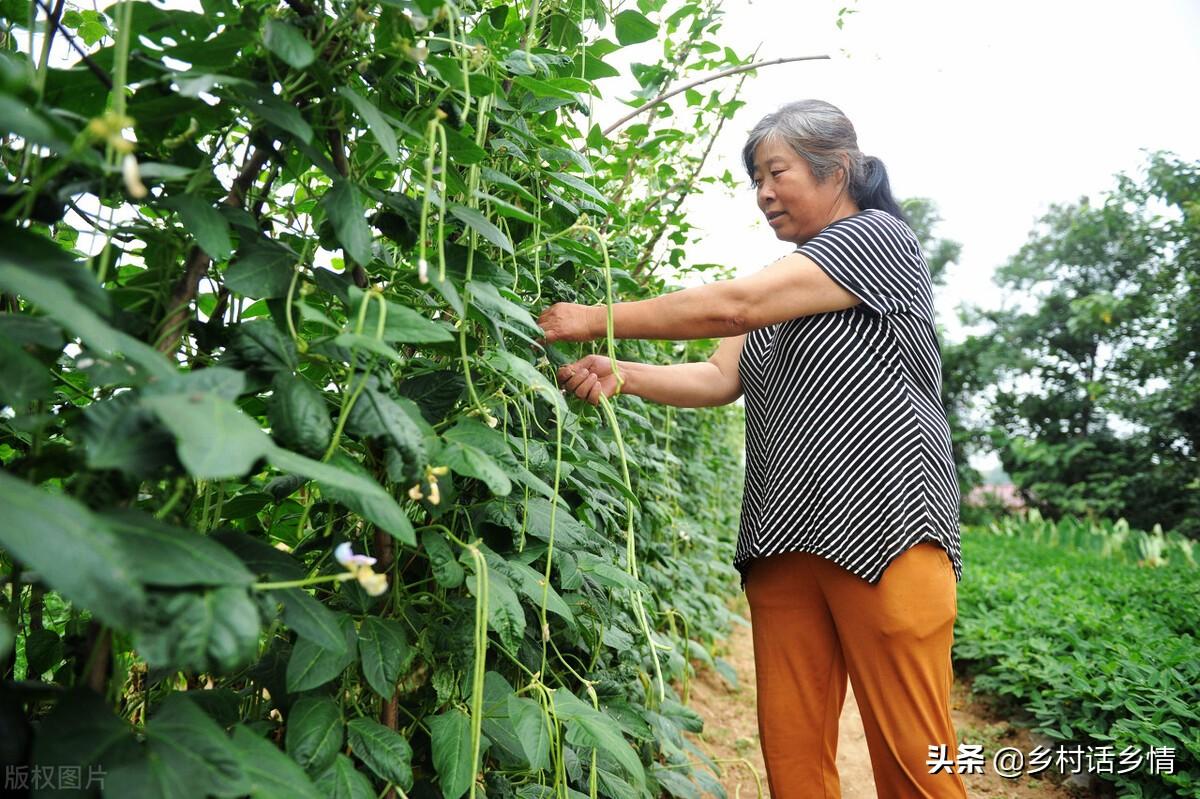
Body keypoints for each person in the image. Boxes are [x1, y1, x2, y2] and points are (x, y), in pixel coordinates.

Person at [536, 99, 968, 799]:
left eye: (777, 172)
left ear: (839, 168)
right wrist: (626, 372)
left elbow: (732, 305)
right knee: (793, 763)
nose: (764, 193)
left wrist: (597, 320)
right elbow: (716, 374)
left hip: (884, 530)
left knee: (916, 762)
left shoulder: (877, 240)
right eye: (755, 180)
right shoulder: (785, 281)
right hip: (783, 538)